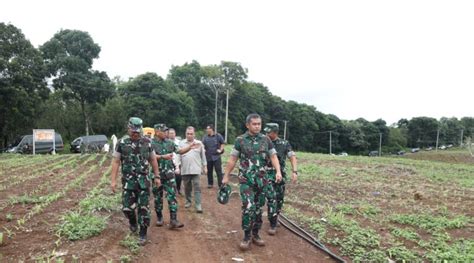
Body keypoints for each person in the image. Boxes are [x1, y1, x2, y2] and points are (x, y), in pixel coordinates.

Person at [222, 113, 282, 251]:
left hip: (262, 180)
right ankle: (247, 236)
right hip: (246, 180)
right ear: (247, 125)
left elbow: (273, 156)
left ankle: (256, 234)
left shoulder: (266, 140)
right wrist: (226, 176)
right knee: (248, 207)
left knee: (258, 208)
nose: (257, 126)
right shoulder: (240, 140)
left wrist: (278, 171)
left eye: (259, 124)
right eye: (254, 124)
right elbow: (232, 159)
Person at [111, 117, 160, 245]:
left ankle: (143, 233)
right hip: (128, 182)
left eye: (137, 131)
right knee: (127, 208)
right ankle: (132, 221)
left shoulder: (147, 142)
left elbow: (153, 160)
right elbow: (116, 161)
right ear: (128, 129)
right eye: (133, 131)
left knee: (144, 208)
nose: (135, 133)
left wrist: (157, 176)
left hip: (144, 181)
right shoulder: (121, 143)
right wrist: (113, 181)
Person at [151, 123, 197, 228]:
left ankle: (173, 219)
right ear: (157, 132)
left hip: (169, 174)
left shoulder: (170, 143)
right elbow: (150, 157)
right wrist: (163, 156)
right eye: (164, 131)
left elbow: (179, 151)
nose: (166, 133)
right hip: (156, 174)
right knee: (158, 197)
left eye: (166, 131)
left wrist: (190, 147)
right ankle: (159, 217)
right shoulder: (151, 143)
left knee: (172, 196)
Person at [263, 123, 298, 235]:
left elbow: (292, 157)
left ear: (275, 132)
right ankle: (273, 224)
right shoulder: (263, 142)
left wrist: (294, 171)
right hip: (267, 174)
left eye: (269, 132)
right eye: (266, 132)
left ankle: (275, 215)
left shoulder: (284, 143)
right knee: (272, 198)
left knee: (279, 199)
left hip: (280, 175)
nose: (266, 134)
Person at [179, 126, 207, 213]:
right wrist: (177, 166)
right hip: (185, 169)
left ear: (194, 134)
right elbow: (178, 155)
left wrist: (205, 167)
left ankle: (198, 205)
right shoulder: (181, 143)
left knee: (197, 186)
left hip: (196, 169)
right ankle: (188, 201)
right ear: (185, 134)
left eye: (191, 134)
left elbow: (203, 156)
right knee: (187, 187)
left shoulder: (199, 143)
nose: (189, 135)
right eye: (188, 134)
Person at [168, 128, 183, 195]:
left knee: (178, 177)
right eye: (170, 133)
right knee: (170, 178)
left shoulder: (179, 142)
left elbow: (181, 151)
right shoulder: (166, 142)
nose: (172, 135)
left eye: (173, 133)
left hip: (178, 162)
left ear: (175, 134)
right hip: (169, 163)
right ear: (168, 134)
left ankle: (178, 189)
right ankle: (171, 191)